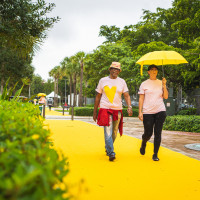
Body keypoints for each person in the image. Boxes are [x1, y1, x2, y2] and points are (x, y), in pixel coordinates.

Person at [93, 62, 133, 161]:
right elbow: (98, 96)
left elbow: (126, 95)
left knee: (114, 132)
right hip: (105, 109)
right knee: (107, 132)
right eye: (113, 68)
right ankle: (111, 153)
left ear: (119, 71)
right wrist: (95, 112)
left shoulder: (122, 82)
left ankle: (108, 148)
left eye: (117, 69)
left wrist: (129, 106)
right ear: (109, 69)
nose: (115, 70)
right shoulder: (103, 80)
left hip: (117, 110)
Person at [138, 64, 168, 161]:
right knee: (148, 133)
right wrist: (140, 111)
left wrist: (164, 85)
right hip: (148, 112)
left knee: (158, 132)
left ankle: (155, 154)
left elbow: (166, 97)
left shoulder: (161, 82)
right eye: (152, 69)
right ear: (148, 72)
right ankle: (144, 142)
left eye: (155, 70)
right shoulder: (144, 84)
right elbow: (141, 98)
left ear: (157, 72)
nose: (154, 71)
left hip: (160, 110)